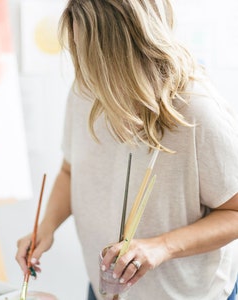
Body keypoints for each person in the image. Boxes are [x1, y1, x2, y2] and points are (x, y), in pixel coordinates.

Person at [15, 0, 238, 299]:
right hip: (106, 290)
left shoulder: (197, 112)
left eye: (93, 56)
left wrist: (161, 247)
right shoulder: (85, 89)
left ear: (127, 52)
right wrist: (46, 226)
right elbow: (71, 171)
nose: (84, 70)